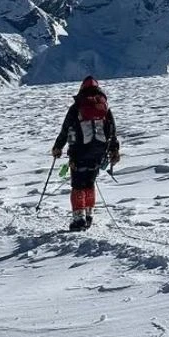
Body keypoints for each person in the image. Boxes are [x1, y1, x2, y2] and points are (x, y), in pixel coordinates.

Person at [51, 76, 121, 231]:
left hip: (79, 151)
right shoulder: (104, 107)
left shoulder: (76, 107)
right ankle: (89, 215)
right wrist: (114, 149)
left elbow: (65, 130)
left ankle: (78, 219)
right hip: (99, 151)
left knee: (77, 185)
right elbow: (112, 131)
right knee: (90, 182)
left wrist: (58, 147)